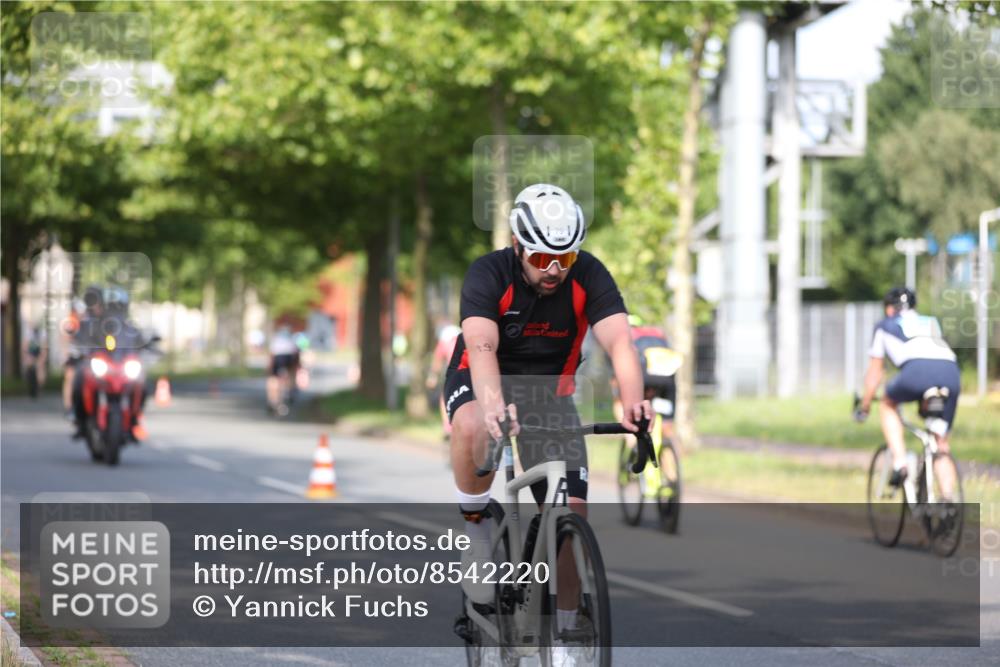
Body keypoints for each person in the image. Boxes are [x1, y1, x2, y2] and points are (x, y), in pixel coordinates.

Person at [445, 183, 650, 639]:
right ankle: (476, 526)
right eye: (541, 259)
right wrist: (495, 405)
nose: (554, 269)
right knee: (474, 422)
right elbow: (481, 346)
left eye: (566, 258)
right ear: (519, 246)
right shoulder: (488, 274)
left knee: (570, 516)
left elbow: (619, 341)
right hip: (483, 382)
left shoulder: (590, 274)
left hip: (549, 397)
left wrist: (633, 400)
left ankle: (565, 635)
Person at [856, 287, 960, 495]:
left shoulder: (885, 325)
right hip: (951, 373)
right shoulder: (930, 322)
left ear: (888, 309)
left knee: (887, 403)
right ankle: (949, 502)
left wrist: (865, 404)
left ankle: (900, 463)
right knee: (939, 440)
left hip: (917, 371)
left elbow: (875, 374)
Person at [610, 317, 680, 447]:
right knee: (667, 427)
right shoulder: (657, 334)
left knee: (619, 401)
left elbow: (619, 369)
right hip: (667, 380)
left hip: (642, 375)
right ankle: (672, 459)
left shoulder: (624, 337)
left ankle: (631, 438)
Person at [426, 323, 462, 438]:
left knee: (446, 399)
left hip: (455, 371)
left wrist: (432, 377)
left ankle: (448, 428)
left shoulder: (444, 342)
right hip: (466, 371)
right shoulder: (462, 338)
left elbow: (437, 360)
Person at [267, 326, 300, 411]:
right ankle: (288, 392)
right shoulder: (291, 339)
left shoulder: (276, 339)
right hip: (288, 357)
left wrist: (270, 367)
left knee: (274, 379)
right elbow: (296, 354)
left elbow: (272, 355)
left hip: (279, 356)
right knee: (288, 376)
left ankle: (273, 400)